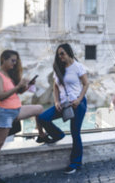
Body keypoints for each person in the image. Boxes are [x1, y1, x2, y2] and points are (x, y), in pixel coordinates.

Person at [0, 50, 43, 183]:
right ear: (4, 60)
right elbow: (0, 96)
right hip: (5, 113)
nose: (15, 63)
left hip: (16, 110)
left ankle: (41, 135)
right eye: (12, 60)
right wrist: (18, 86)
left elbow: (15, 93)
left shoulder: (8, 75)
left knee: (39, 109)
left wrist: (26, 87)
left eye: (16, 61)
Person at [37, 43, 89, 175]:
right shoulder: (58, 68)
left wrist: (79, 99)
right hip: (63, 104)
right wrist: (56, 101)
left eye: (62, 53)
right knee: (43, 117)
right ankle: (58, 134)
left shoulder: (78, 67)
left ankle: (76, 163)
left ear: (69, 53)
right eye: (58, 54)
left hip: (78, 104)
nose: (60, 56)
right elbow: (55, 86)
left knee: (75, 133)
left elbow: (86, 83)